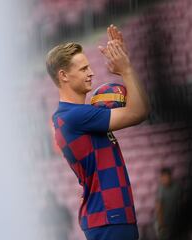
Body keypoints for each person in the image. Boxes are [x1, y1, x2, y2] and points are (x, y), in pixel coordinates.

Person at [46, 24, 149, 240]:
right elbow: (139, 112)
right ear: (63, 75)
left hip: (110, 217)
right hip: (109, 217)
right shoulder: (74, 116)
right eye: (83, 69)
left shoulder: (78, 115)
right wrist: (126, 70)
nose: (92, 73)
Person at [155, 167, 182, 240]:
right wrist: (161, 225)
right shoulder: (161, 189)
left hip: (173, 221)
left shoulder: (177, 187)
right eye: (162, 177)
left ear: (170, 176)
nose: (163, 179)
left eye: (165, 176)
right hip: (163, 222)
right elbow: (159, 207)